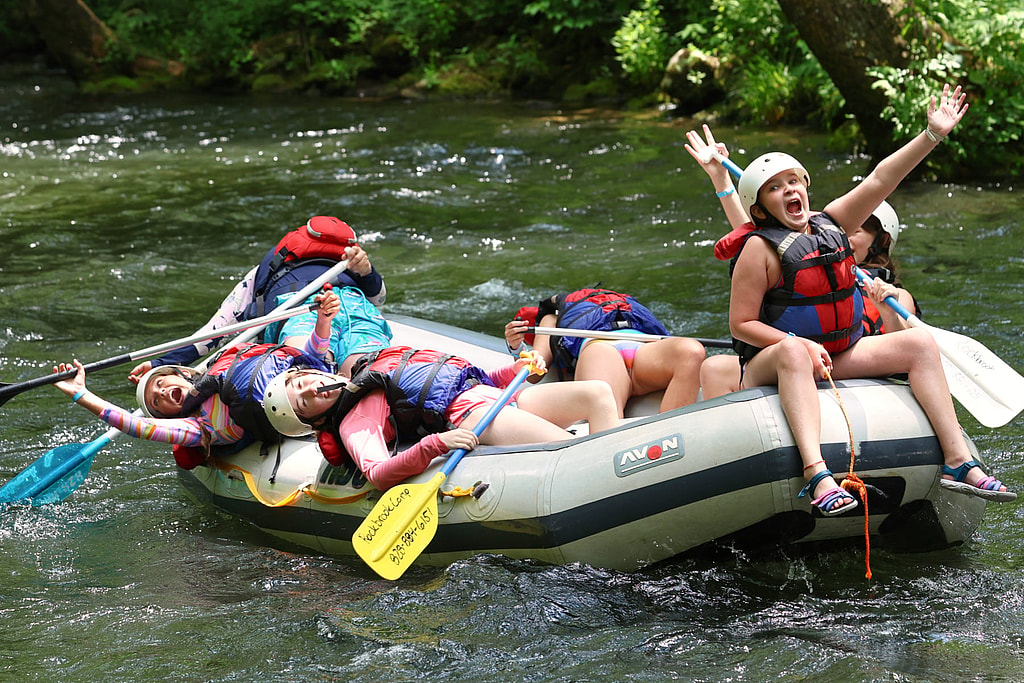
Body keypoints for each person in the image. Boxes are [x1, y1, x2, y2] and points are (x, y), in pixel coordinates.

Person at [685, 83, 1014, 512]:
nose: (789, 191)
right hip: (775, 362)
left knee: (918, 342)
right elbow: (740, 325)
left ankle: (958, 461)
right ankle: (817, 476)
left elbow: (881, 178)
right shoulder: (757, 249)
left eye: (794, 182)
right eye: (775, 188)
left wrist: (931, 135)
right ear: (760, 208)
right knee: (791, 351)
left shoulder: (833, 223)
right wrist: (800, 343)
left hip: (839, 352)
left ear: (806, 188)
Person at [260, 346, 621, 491]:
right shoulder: (354, 422)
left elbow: (467, 378)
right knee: (572, 451)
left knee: (598, 394)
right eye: (305, 403)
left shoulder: (371, 367)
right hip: (474, 416)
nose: (313, 390)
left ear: (313, 371)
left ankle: (620, 474)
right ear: (317, 422)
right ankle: (614, 487)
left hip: (502, 397)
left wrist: (517, 369)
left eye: (304, 383)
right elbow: (379, 474)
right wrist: (436, 444)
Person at [52, 290, 343, 470]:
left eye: (162, 382)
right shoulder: (193, 427)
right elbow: (137, 426)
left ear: (184, 374)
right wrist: (81, 394)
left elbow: (308, 360)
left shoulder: (225, 368)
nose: (163, 392)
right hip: (298, 419)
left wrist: (323, 321)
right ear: (166, 415)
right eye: (156, 400)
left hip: (313, 388)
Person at [696, 200, 920, 399]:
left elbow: (903, 353)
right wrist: (723, 184)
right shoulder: (812, 269)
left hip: (857, 367)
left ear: (880, 241)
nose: (843, 238)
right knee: (715, 367)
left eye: (855, 231)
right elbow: (759, 241)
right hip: (804, 359)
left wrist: (889, 311)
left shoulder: (896, 295)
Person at [128, 215, 388, 381]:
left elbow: (216, 331)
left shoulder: (261, 273)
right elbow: (378, 300)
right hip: (350, 309)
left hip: (300, 313)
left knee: (308, 365)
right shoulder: (357, 271)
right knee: (362, 370)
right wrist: (367, 273)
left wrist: (161, 363)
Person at [503, 288, 706, 416]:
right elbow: (536, 368)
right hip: (600, 350)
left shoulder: (625, 307)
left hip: (644, 349)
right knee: (605, 400)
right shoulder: (552, 319)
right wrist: (517, 347)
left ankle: (670, 435)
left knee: (691, 350)